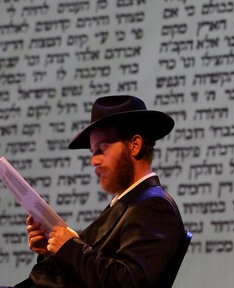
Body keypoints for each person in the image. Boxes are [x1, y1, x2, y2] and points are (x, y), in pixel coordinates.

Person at [9, 95, 186, 288]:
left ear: (135, 145)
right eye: (93, 152)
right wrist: (52, 249)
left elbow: (130, 282)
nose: (94, 161)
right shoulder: (126, 204)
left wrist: (69, 249)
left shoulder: (153, 207)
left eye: (103, 148)